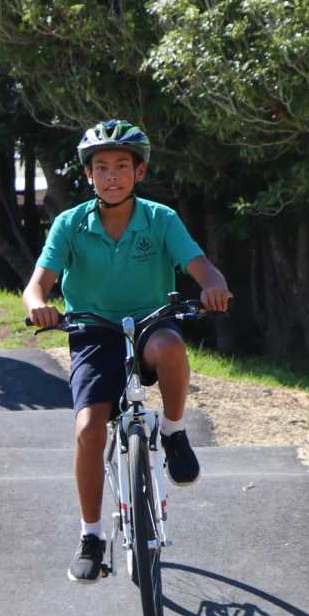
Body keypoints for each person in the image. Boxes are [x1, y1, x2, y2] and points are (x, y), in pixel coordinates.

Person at [22, 119, 233, 583]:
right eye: (101, 167)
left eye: (122, 166)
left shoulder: (161, 219)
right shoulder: (69, 224)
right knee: (88, 427)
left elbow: (203, 269)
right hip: (93, 331)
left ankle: (175, 433)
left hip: (149, 323)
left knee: (171, 346)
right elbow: (37, 285)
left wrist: (214, 288)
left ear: (139, 172)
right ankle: (92, 535)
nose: (111, 175)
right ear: (88, 176)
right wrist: (40, 306)